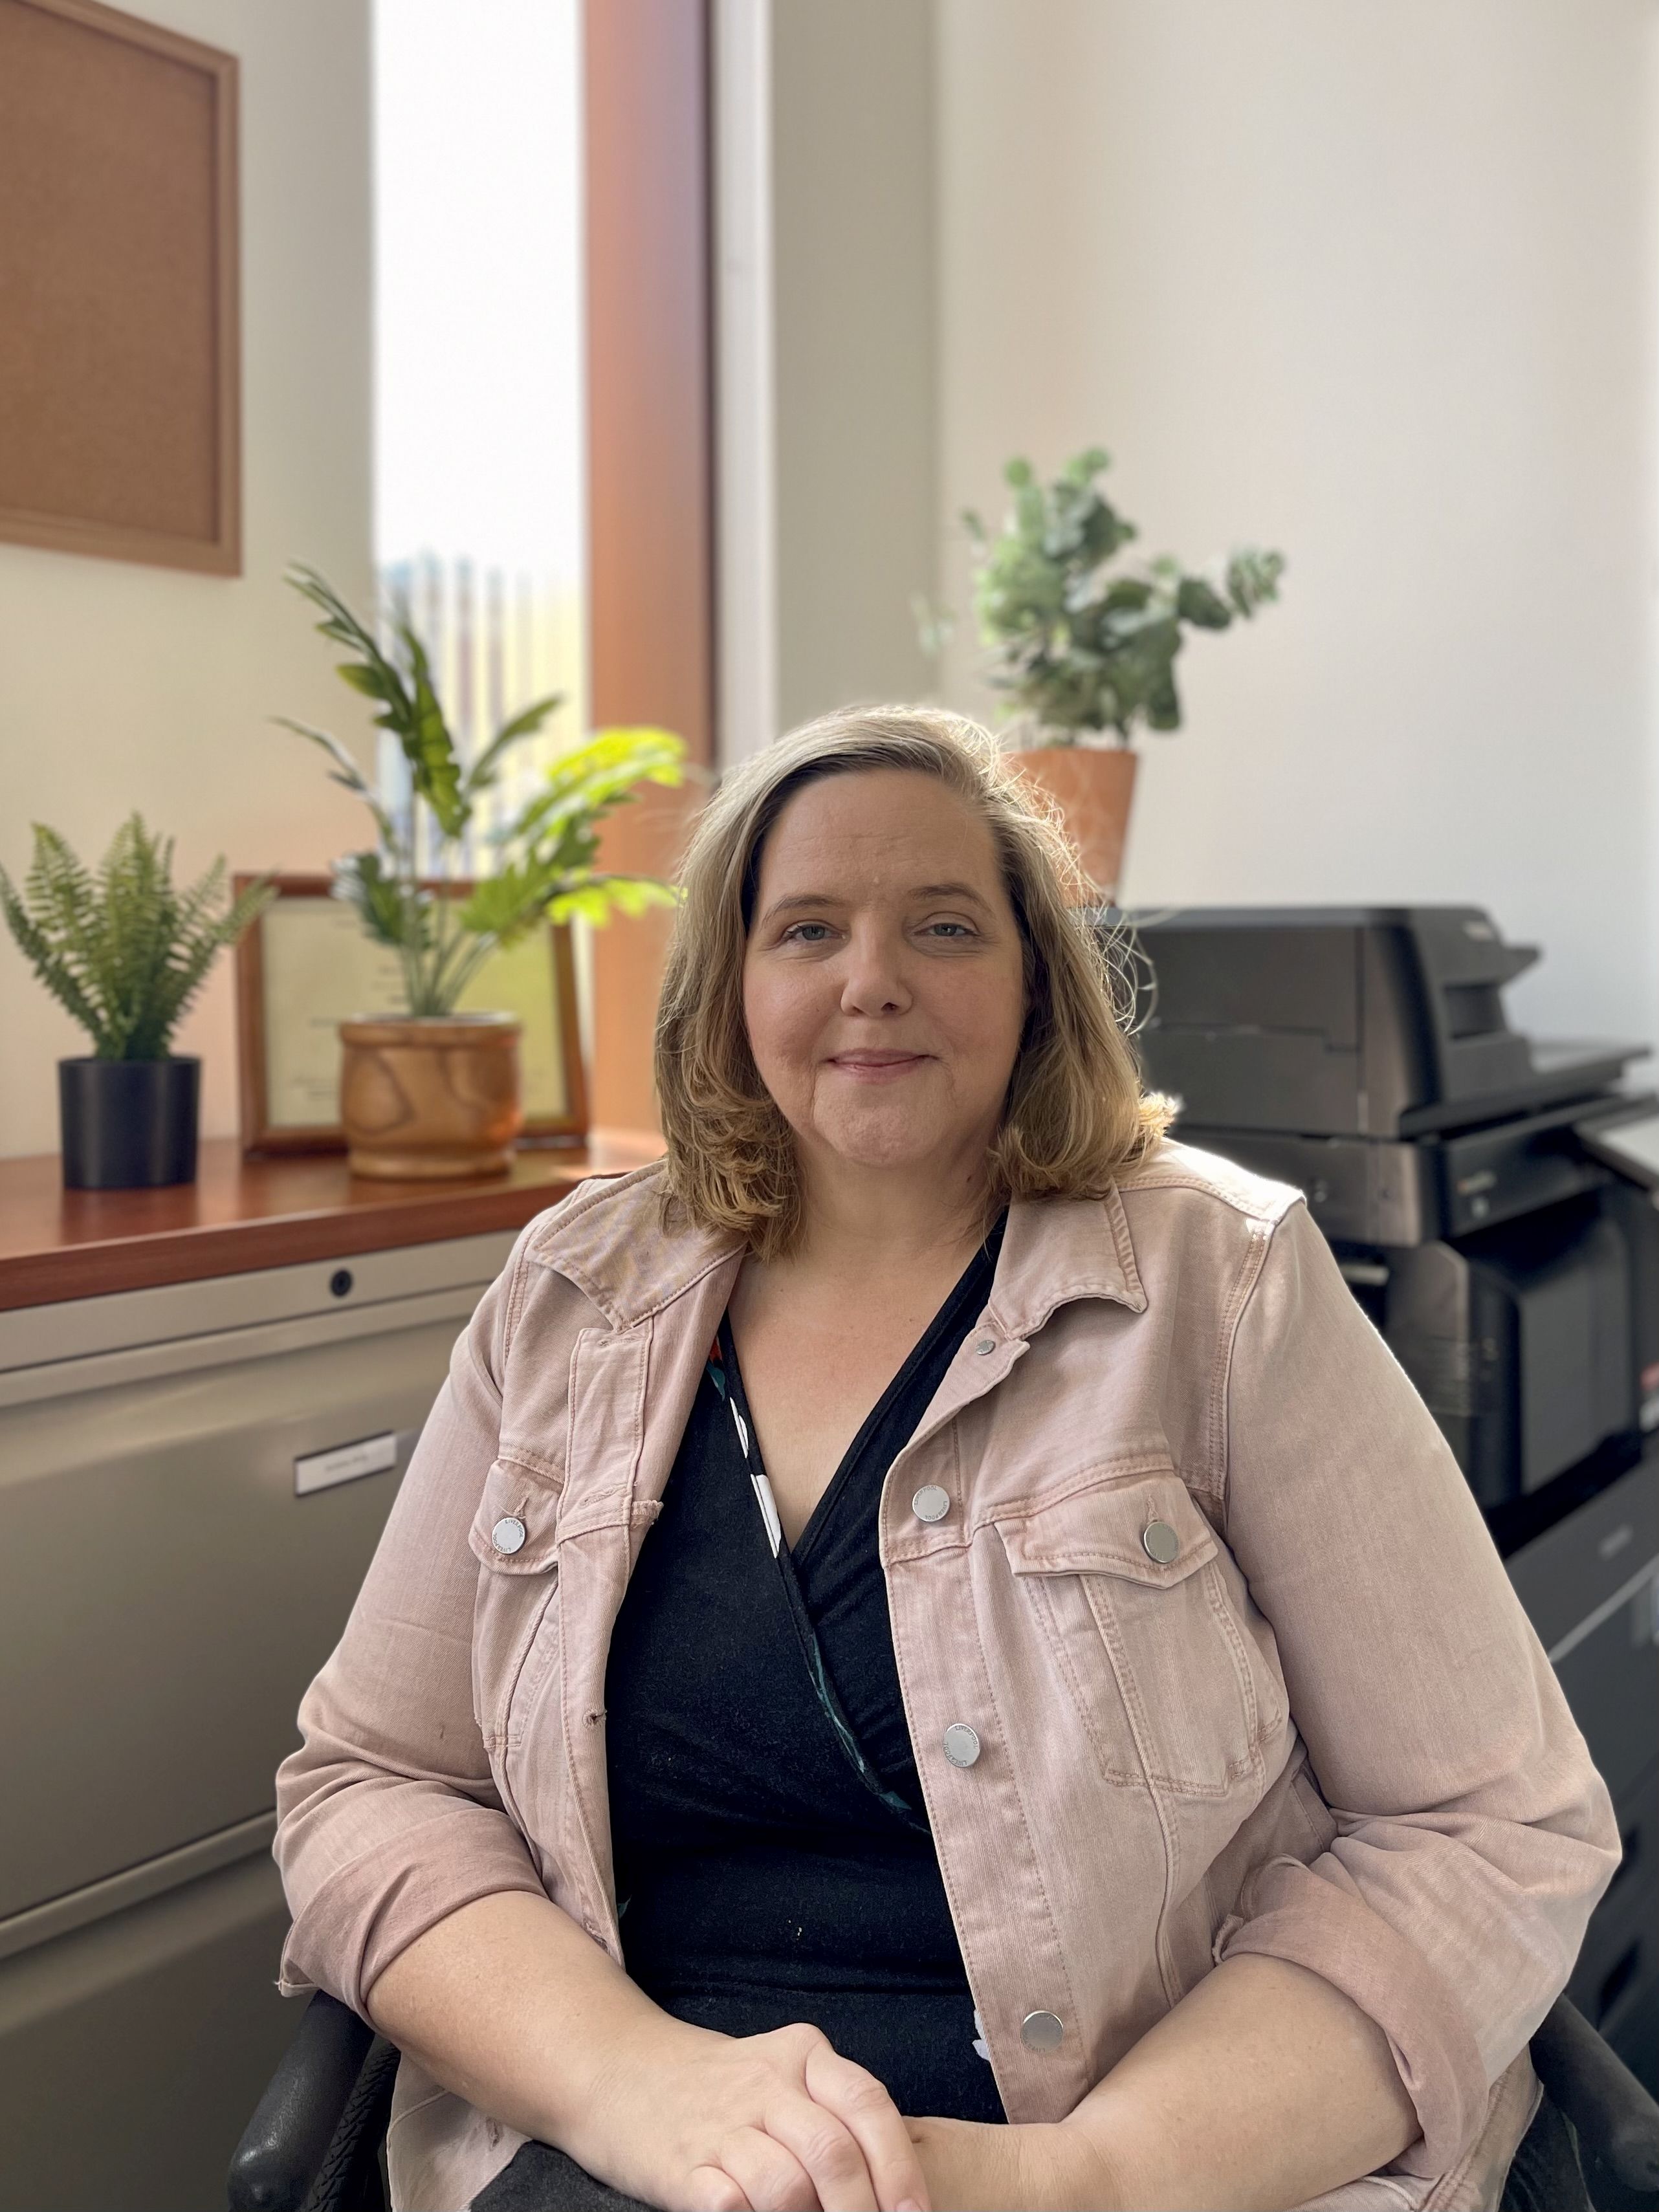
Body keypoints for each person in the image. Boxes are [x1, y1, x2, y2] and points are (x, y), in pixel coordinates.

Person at [274, 706, 1619, 2212]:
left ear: (1034, 981)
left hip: (1146, 2148)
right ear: (729, 990)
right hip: (640, 2145)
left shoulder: (1214, 1284)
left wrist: (1079, 2177)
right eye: (805, 930)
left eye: (944, 925)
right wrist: (629, 2085)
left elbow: (1487, 1820)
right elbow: (373, 1786)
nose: (873, 982)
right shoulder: (568, 1295)